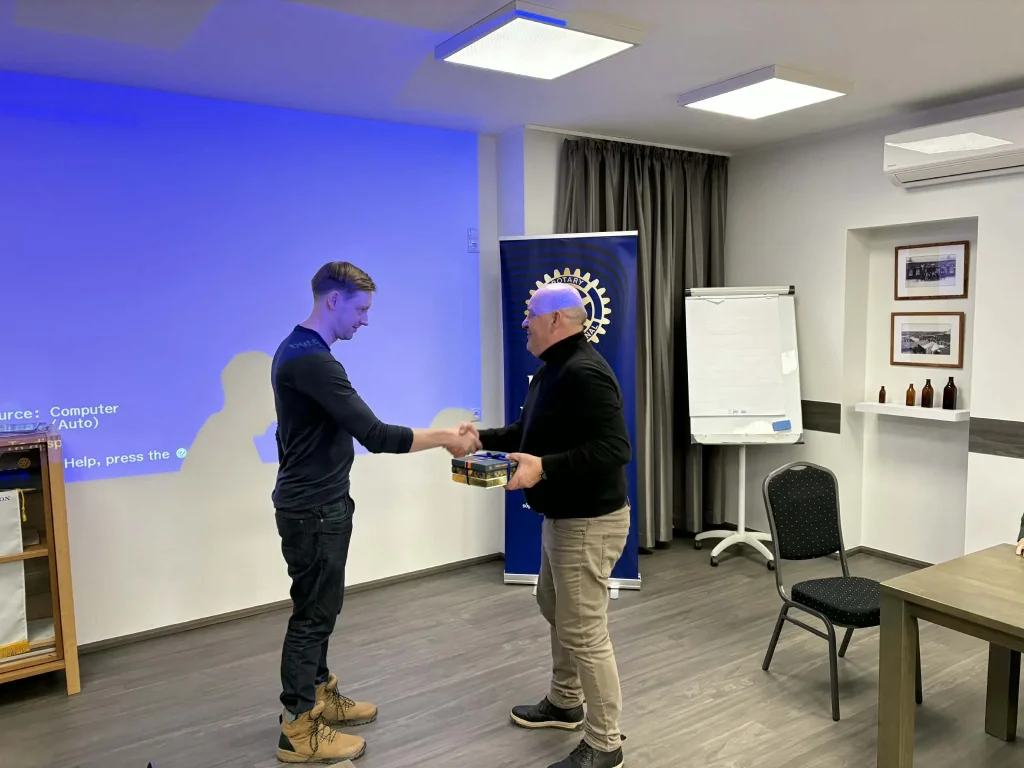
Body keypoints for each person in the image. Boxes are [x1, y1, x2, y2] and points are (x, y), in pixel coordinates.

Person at [271, 261, 478, 764]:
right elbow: (377, 435)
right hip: (314, 509)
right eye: (361, 309)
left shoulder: (296, 348)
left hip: (317, 504)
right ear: (333, 300)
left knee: (322, 608)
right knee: (313, 615)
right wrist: (447, 437)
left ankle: (319, 694)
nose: (365, 320)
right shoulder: (314, 362)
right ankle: (298, 728)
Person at [460, 282, 632, 768]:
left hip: (589, 523)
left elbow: (615, 449)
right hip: (565, 517)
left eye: (530, 313)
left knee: (584, 631)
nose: (523, 322)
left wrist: (545, 468)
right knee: (555, 607)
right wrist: (480, 439)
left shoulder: (584, 372)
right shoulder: (553, 370)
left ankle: (605, 744)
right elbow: (528, 433)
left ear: (556, 320)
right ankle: (564, 701)